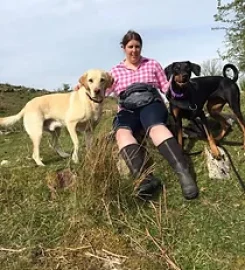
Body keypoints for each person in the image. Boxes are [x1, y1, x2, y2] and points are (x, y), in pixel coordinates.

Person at [76, 30, 199, 200]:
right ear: (124, 48)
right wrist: (83, 88)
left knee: (156, 128)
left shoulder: (152, 64)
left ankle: (185, 175)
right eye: (130, 47)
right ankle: (144, 179)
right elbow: (102, 89)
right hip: (127, 107)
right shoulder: (114, 71)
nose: (134, 50)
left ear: (141, 47)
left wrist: (183, 90)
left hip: (151, 103)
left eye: (137, 46)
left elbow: (165, 88)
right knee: (122, 133)